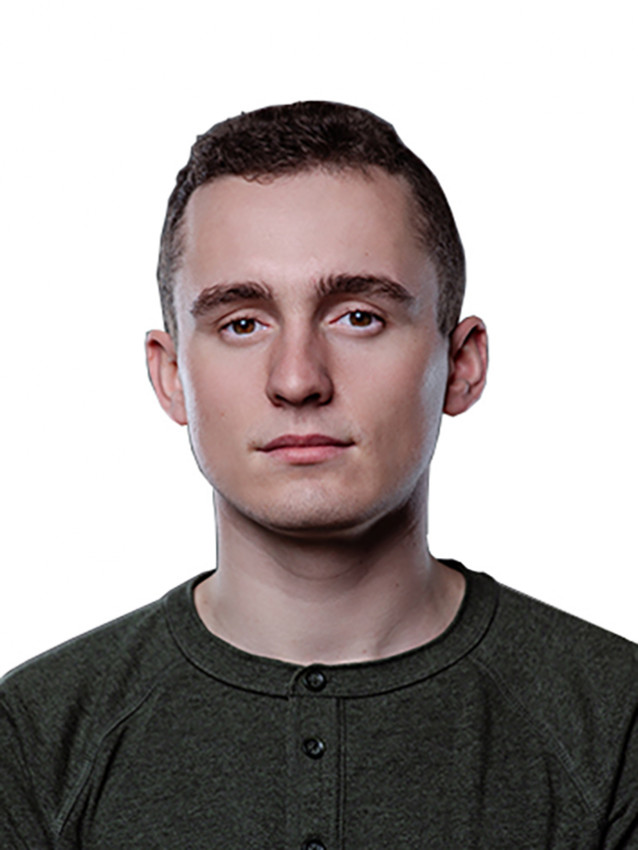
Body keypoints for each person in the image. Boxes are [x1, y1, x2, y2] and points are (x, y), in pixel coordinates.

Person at [1, 101, 636, 849]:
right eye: (242, 322)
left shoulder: (615, 724)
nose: (298, 379)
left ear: (460, 365)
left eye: (358, 316)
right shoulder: (37, 739)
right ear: (171, 377)